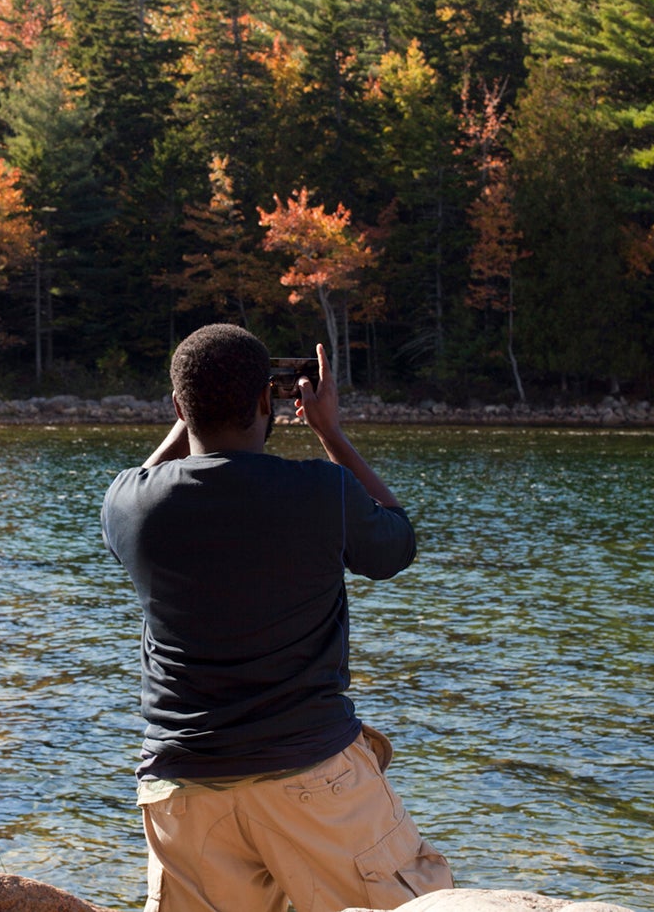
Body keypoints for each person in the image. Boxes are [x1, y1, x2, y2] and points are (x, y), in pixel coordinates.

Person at [101, 323, 455, 912]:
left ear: (177, 409)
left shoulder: (130, 504)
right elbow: (397, 545)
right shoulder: (322, 492)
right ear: (267, 400)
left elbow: (139, 480)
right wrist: (331, 431)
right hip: (311, 776)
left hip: (182, 791)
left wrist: (191, 416)